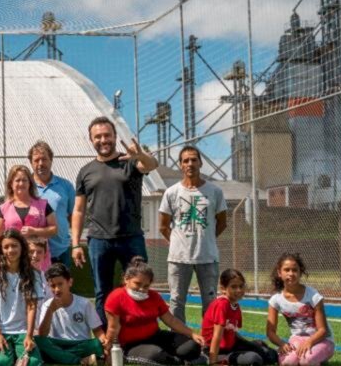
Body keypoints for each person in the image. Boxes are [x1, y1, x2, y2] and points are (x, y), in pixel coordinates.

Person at [70, 117, 158, 325]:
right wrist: (75, 244)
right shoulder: (85, 172)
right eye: (98, 136)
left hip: (131, 238)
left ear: (115, 137)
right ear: (91, 140)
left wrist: (140, 155)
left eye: (107, 135)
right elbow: (79, 210)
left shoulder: (130, 162)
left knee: (138, 288)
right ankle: (106, 341)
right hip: (99, 241)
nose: (103, 140)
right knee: (103, 292)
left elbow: (151, 165)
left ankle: (139, 332)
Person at [159, 145, 228, 323]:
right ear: (180, 165)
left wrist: (206, 239)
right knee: (176, 301)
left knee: (210, 302)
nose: (190, 164)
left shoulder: (215, 191)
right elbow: (163, 226)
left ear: (200, 163)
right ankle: (178, 340)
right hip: (178, 259)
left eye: (193, 160)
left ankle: (208, 341)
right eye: (185, 160)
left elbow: (222, 222)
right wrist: (178, 242)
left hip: (207, 257)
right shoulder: (171, 192)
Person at [103, 257, 205, 366]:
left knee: (191, 346)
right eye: (137, 283)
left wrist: (192, 333)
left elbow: (171, 320)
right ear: (126, 279)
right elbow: (113, 328)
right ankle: (172, 359)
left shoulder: (154, 296)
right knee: (156, 355)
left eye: (146, 286)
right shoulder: (116, 297)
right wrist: (109, 351)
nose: (142, 289)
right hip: (130, 344)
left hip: (156, 337)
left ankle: (174, 358)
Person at [0, 229, 45, 366]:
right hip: (0, 330)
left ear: (22, 247)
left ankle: (17, 352)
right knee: (1, 364)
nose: (10, 250)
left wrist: (29, 336)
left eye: (14, 245)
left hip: (22, 330)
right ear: (1, 250)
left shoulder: (33, 274)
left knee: (32, 364)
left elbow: (31, 306)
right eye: (6, 247)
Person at [266, 253, 334, 366]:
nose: (291, 274)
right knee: (287, 363)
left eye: (295, 270)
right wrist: (282, 344)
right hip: (297, 339)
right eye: (286, 270)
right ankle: (300, 354)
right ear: (279, 273)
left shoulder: (313, 296)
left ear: (300, 272)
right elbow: (270, 331)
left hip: (321, 339)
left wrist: (309, 342)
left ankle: (320, 356)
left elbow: (322, 330)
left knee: (306, 362)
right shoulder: (276, 299)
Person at [34, 263, 105, 366]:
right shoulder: (47, 305)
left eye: (60, 284)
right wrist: (50, 311)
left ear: (69, 282)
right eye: (53, 286)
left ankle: (63, 358)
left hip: (80, 344)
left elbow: (98, 331)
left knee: (97, 344)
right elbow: (42, 335)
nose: (57, 289)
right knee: (38, 341)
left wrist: (105, 342)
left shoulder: (84, 303)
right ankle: (79, 361)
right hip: (57, 344)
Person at [204, 269, 278, 366]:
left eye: (241, 286)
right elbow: (217, 336)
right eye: (234, 287)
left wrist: (252, 345)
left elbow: (233, 333)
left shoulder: (235, 305)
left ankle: (257, 346)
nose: (239, 290)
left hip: (231, 345)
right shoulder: (221, 305)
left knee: (271, 355)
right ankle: (217, 358)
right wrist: (213, 362)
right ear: (223, 289)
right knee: (254, 358)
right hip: (217, 350)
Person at [0, 164, 57, 273]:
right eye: (17, 180)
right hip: (13, 261)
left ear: (30, 183)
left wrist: (34, 231)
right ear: (11, 184)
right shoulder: (3, 209)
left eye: (24, 180)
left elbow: (54, 229)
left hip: (39, 260)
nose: (21, 183)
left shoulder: (43, 205)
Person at [29, 140, 76, 267]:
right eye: (36, 160)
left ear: (51, 160)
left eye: (44, 159)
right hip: (32, 253)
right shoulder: (25, 187)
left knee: (60, 286)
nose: (40, 164)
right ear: (31, 163)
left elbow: (73, 215)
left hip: (60, 251)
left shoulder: (66, 186)